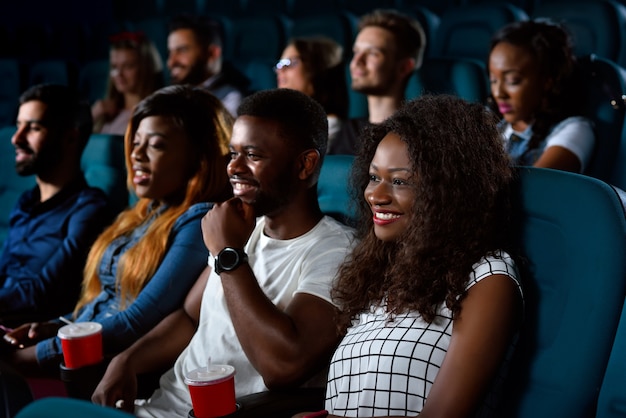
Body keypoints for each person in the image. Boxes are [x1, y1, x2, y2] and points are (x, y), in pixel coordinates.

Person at [90, 88, 356, 417]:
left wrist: (228, 253)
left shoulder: (338, 251)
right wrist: (126, 359)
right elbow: (190, 318)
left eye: (253, 155)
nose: (234, 167)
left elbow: (283, 367)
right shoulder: (244, 229)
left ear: (305, 164)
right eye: (233, 153)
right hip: (157, 406)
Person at [298, 95, 523, 417]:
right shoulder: (380, 273)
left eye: (400, 181)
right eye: (374, 177)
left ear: (449, 192)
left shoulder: (488, 278)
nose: (375, 195)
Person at [2, 85, 233, 377]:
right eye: (135, 142)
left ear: (200, 156)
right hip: (73, 349)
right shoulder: (144, 212)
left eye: (156, 144)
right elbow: (105, 301)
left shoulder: (200, 222)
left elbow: (136, 323)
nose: (136, 154)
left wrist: (31, 357)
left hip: (99, 369)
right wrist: (55, 325)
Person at [0, 84, 111, 328]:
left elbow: (43, 293)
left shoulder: (89, 208)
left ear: (70, 137)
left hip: (32, 331)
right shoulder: (26, 201)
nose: (16, 138)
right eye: (18, 126)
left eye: (33, 128)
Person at [488, 19, 595, 173]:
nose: (498, 93)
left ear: (547, 81)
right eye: (493, 80)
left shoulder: (576, 130)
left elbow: (533, 190)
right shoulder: (495, 127)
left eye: (513, 81)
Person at [331, 9, 426, 155]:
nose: (356, 62)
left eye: (373, 54)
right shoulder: (349, 131)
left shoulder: (417, 137)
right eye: (356, 52)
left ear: (404, 67)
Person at [275, 36, 349, 151]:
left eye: (289, 62)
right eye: (279, 64)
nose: (280, 70)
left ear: (316, 69)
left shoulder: (329, 125)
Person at [167, 14, 247, 117]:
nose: (171, 62)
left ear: (212, 53)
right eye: (170, 52)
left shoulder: (231, 100)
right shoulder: (176, 95)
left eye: (182, 50)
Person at [92, 31, 164, 135]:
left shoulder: (154, 114)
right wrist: (93, 115)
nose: (119, 74)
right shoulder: (104, 112)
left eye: (128, 66)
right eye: (114, 67)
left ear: (145, 67)